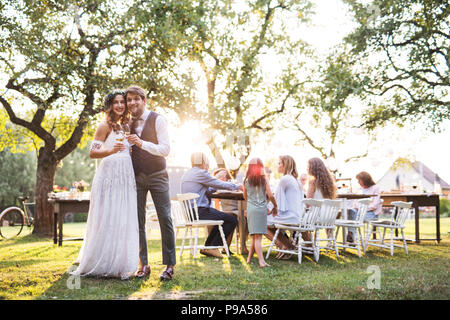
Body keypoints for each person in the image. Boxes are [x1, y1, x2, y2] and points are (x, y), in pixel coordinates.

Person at [71, 89, 139, 280]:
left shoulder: (125, 126)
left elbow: (128, 151)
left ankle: (120, 261)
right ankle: (103, 261)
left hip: (125, 175)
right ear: (109, 106)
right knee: (109, 214)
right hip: (109, 175)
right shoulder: (104, 126)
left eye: (122, 102)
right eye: (116, 102)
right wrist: (110, 150)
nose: (120, 105)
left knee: (122, 215)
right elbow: (93, 152)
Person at [125, 85, 176, 281]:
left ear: (144, 101)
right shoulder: (126, 122)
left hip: (157, 174)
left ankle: (169, 265)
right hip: (136, 176)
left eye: (136, 99)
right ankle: (143, 264)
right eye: (129, 100)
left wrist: (141, 143)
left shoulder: (158, 120)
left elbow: (165, 149)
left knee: (165, 218)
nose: (132, 103)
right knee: (137, 220)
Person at [181, 152, 242, 258]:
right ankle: (213, 247)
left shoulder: (188, 174)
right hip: (199, 211)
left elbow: (209, 189)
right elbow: (219, 183)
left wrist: (217, 185)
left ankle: (208, 247)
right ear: (203, 162)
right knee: (232, 219)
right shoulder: (200, 173)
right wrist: (236, 186)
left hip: (190, 212)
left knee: (222, 218)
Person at [266, 155, 304, 260]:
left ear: (285, 165)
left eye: (279, 163)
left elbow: (276, 200)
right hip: (296, 215)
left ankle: (285, 246)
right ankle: (288, 246)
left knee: (259, 222)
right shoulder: (295, 179)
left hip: (290, 216)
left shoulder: (285, 179)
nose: (277, 165)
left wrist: (266, 210)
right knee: (268, 221)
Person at [243, 158, 277, 268]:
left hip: (252, 209)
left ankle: (248, 259)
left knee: (254, 235)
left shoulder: (246, 181)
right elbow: (270, 195)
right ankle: (261, 261)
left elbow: (245, 197)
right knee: (257, 237)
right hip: (261, 209)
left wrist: (249, 206)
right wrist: (275, 206)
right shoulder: (264, 180)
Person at [306, 157, 338, 238]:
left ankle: (308, 243)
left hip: (316, 216)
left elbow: (308, 202)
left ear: (312, 168)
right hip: (329, 216)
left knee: (298, 218)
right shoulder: (330, 182)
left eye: (308, 166)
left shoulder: (313, 182)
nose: (307, 169)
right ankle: (330, 240)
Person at [347, 171, 382, 242]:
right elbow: (355, 203)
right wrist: (358, 207)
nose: (358, 182)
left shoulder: (375, 188)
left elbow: (375, 205)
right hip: (360, 212)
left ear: (365, 180)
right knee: (350, 211)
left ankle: (351, 234)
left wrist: (361, 208)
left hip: (371, 214)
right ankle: (351, 235)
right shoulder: (360, 190)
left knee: (353, 215)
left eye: (359, 180)